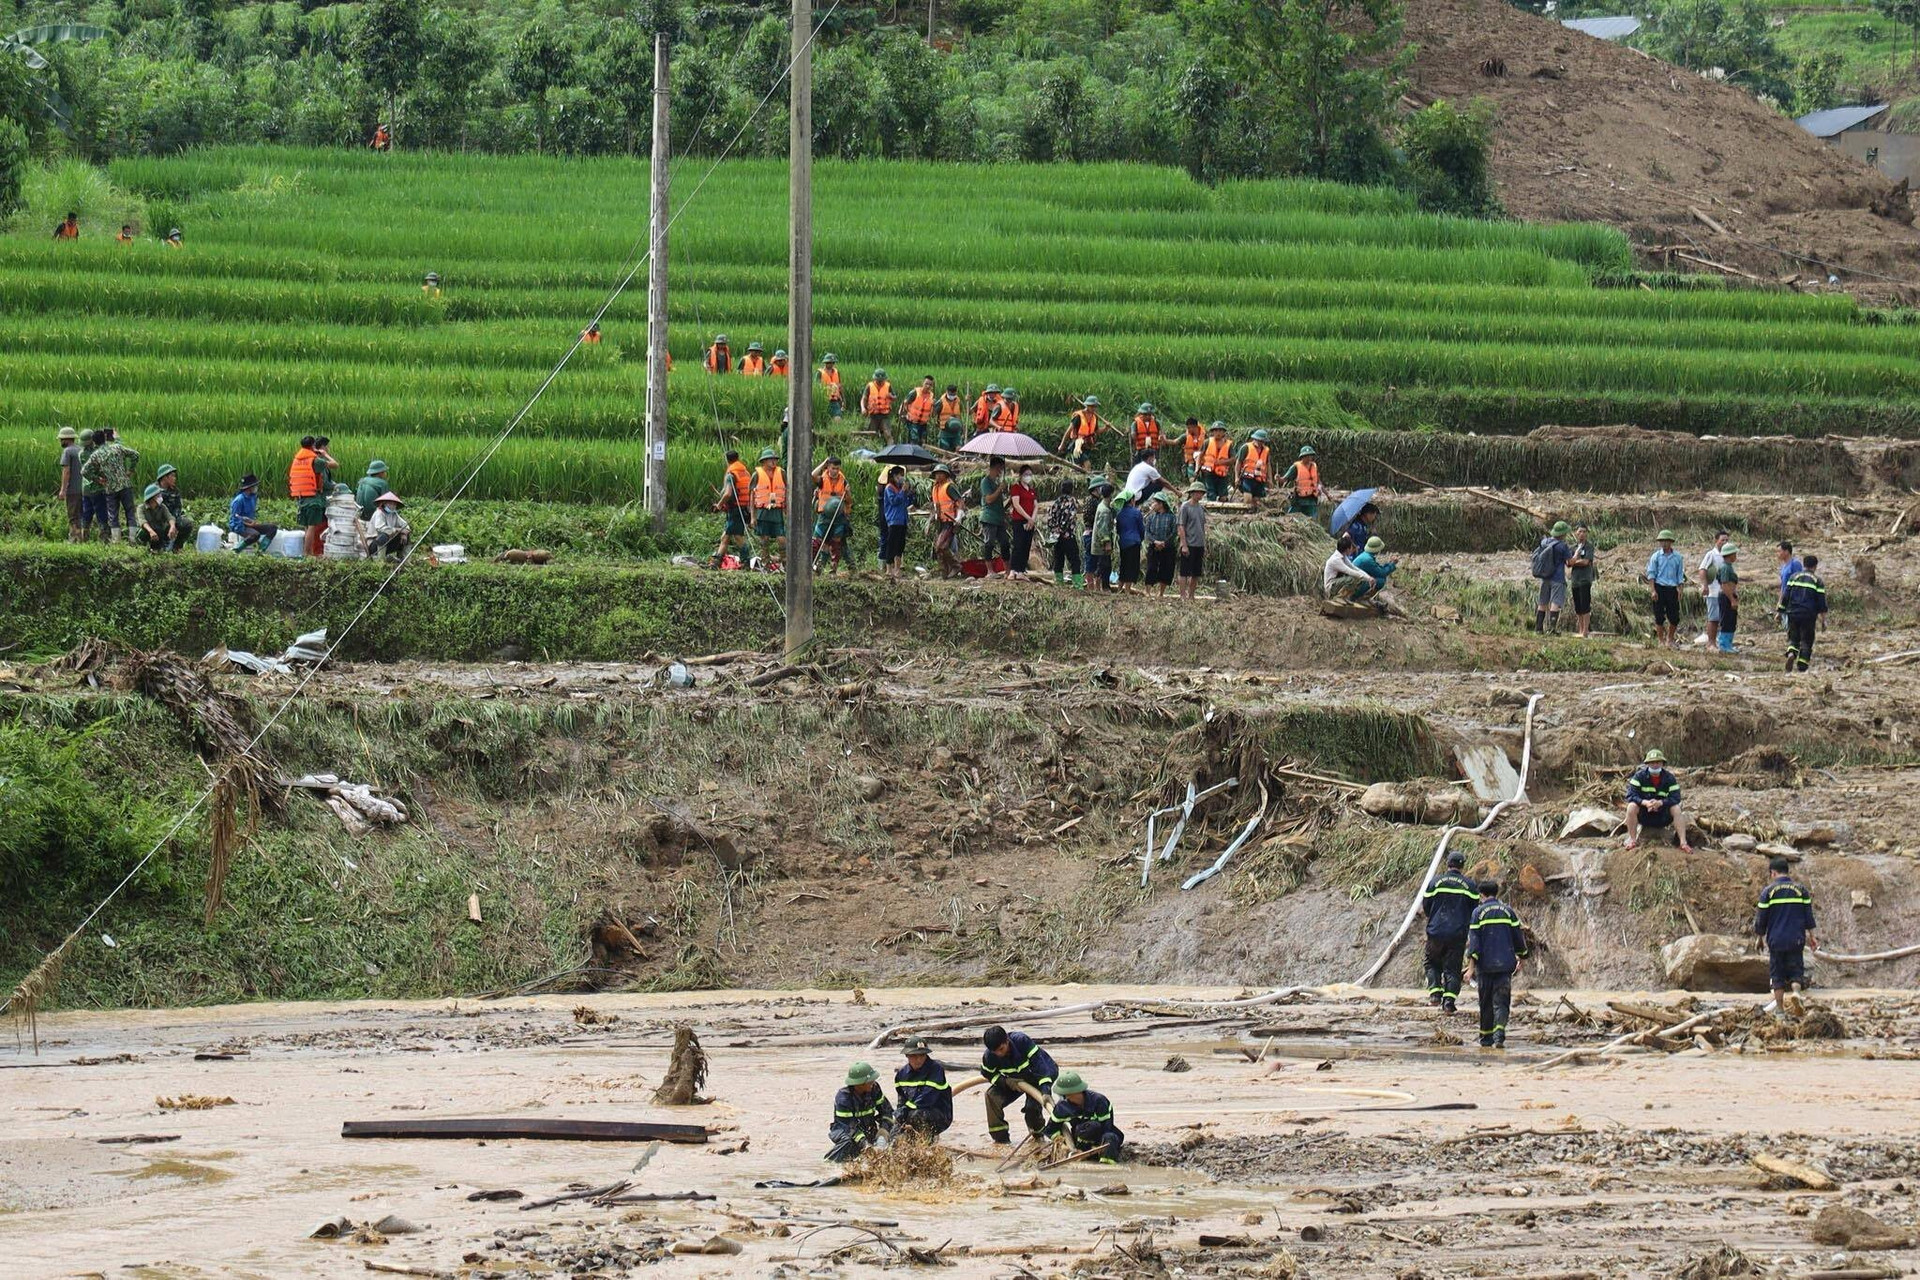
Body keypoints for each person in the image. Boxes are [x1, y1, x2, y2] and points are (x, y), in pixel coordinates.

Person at [1466, 880, 1529, 1049]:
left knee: (1485, 1002)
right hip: (1505, 966)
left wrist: (1471, 968)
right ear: (1497, 893)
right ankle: (1499, 1034)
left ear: (1481, 895)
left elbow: (1474, 943)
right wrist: (1522, 958)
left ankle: (1486, 1039)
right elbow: (1518, 937)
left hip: (1485, 966)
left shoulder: (1478, 913)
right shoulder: (1508, 912)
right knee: (1502, 1002)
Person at [1753, 857, 1817, 1013]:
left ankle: (1780, 1011)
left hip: (1776, 940)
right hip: (1796, 938)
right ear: (1787, 872)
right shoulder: (1801, 890)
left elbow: (1762, 919)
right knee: (1796, 970)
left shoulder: (1768, 892)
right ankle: (1796, 992)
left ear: (1773, 873)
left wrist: (1759, 938)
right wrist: (1812, 937)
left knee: (1777, 975)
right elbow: (1809, 916)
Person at [979, 1026, 1057, 1145]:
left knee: (1032, 1108)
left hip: (1039, 1076)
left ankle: (1038, 1138)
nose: (999, 1054)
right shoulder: (990, 1055)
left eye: (1001, 1049)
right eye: (995, 1052)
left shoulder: (1022, 1041)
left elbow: (1040, 1066)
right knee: (991, 1096)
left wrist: (1045, 1090)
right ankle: (1001, 1140)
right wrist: (1005, 1082)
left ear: (1007, 1040)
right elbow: (988, 1074)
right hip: (1015, 1080)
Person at [1422, 850, 1477, 1013]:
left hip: (1436, 931)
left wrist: (1433, 920)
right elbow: (1474, 910)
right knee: (1452, 969)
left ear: (1448, 864)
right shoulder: (1470, 885)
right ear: (1463, 866)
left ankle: (1434, 994)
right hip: (1457, 934)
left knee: (1431, 962)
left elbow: (1426, 905)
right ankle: (1448, 1003)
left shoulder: (1435, 882)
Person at [1043, 1070, 1124, 1163]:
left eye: (1067, 1095)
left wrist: (1097, 1147)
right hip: (1080, 1138)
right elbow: (1050, 1130)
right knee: (1091, 1127)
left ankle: (1107, 1166)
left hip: (1101, 1136)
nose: (1066, 1097)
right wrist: (1063, 1144)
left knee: (1109, 1136)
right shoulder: (1062, 1107)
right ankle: (1081, 1154)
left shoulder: (1099, 1101)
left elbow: (1107, 1127)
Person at [1624, 748, 1692, 853]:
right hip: (1645, 814)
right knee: (1631, 807)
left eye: (1657, 762)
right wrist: (1645, 803)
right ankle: (1632, 840)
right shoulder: (1639, 777)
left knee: (1676, 808)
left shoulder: (1669, 778)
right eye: (1652, 763)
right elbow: (1630, 795)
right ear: (1647, 764)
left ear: (1662, 763)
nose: (1655, 765)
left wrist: (1661, 803)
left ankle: (1683, 843)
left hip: (1663, 815)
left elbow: (1676, 797)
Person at [80, 427, 139, 544]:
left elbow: (84, 471)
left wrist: (97, 479)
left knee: (113, 515)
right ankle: (133, 540)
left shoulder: (96, 455)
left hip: (110, 488)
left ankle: (116, 541)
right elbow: (135, 455)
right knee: (130, 512)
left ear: (95, 442)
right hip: (125, 485)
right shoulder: (117, 447)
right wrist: (130, 470)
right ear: (106, 439)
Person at [827, 1062, 894, 1162]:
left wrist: (883, 1133)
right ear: (859, 1084)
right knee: (848, 1142)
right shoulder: (843, 1098)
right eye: (870, 1081)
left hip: (867, 1128)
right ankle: (830, 1164)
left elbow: (886, 1111)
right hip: (845, 1131)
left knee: (895, 1134)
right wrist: (865, 1145)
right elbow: (849, 1127)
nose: (873, 1082)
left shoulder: (874, 1089)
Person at [893, 1038, 952, 1138]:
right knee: (896, 1129)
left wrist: (905, 1110)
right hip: (912, 1112)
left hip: (939, 1115)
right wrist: (899, 1116)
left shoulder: (936, 1069)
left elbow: (927, 1098)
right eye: (914, 1056)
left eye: (922, 1055)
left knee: (916, 1115)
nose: (919, 1059)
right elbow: (901, 1099)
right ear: (907, 1056)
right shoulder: (901, 1075)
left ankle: (927, 1141)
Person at [1781, 554, 1828, 672]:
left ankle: (1791, 652)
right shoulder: (1817, 581)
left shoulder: (1794, 577)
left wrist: (1781, 610)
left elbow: (1786, 595)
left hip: (1793, 613)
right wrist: (1823, 620)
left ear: (1804, 564)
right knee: (1807, 640)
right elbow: (1821, 603)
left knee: (1794, 637)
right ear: (1815, 566)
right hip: (1808, 615)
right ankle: (1802, 666)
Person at [712, 449, 753, 568]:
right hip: (744, 508)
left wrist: (719, 505)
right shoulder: (745, 472)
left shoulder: (731, 474)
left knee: (737, 536)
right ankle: (716, 562)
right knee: (726, 536)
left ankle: (746, 561)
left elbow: (728, 494)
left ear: (727, 460)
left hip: (735, 509)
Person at [286, 435, 327, 556]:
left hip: (301, 496)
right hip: (313, 497)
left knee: (306, 527)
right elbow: (334, 464)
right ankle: (307, 553)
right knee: (312, 527)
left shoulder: (297, 459)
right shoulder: (315, 460)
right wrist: (324, 454)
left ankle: (306, 553)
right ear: (313, 446)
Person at [811, 455, 851, 574]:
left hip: (838, 515)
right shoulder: (822, 479)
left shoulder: (843, 481)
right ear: (828, 467)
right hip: (824, 514)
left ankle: (833, 568)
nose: (835, 471)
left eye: (837, 469)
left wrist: (848, 492)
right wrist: (823, 463)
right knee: (817, 540)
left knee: (836, 542)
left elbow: (849, 501)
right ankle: (811, 564)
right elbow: (812, 475)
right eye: (833, 468)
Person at [1645, 529, 1686, 648]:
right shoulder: (1656, 557)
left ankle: (1670, 639)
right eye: (1662, 541)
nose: (1664, 544)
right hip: (1659, 587)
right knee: (1659, 616)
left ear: (1670, 542)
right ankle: (1660, 640)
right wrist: (1653, 590)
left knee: (1674, 616)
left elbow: (1680, 575)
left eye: (1666, 541)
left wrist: (1680, 589)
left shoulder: (1677, 557)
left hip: (1672, 588)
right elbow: (1651, 574)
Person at [1531, 521, 1573, 634]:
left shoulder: (1545, 542)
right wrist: (1576, 555)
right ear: (1563, 534)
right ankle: (1551, 629)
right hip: (1557, 578)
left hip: (1545, 577)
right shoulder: (1562, 546)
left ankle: (1538, 628)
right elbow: (1569, 562)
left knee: (1542, 603)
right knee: (1555, 602)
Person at [749, 448, 786, 567]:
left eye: (775, 459)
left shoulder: (782, 473)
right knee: (764, 539)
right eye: (771, 459)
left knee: (781, 538)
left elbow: (788, 491)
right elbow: (752, 495)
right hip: (762, 511)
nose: (774, 462)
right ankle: (765, 563)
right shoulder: (756, 475)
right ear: (764, 461)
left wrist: (787, 510)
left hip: (777, 510)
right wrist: (752, 517)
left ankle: (785, 562)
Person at [879, 467, 914, 578]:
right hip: (894, 520)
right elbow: (894, 501)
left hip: (902, 520)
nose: (901, 478)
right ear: (893, 476)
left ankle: (897, 569)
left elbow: (906, 502)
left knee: (900, 545)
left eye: (902, 475)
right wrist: (903, 491)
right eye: (899, 475)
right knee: (892, 544)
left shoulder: (900, 488)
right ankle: (889, 569)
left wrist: (909, 493)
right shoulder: (889, 488)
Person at [1047, 478, 1083, 587]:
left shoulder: (1056, 502)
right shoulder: (1072, 501)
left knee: (1058, 559)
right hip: (1068, 536)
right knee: (1075, 560)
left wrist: (1055, 529)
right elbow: (1070, 517)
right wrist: (1063, 529)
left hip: (1056, 537)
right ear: (1071, 489)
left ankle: (1059, 583)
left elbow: (1049, 518)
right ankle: (1077, 584)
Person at [975, 457, 1010, 567]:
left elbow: (1000, 504)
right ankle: (989, 570)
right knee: (989, 543)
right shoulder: (986, 482)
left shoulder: (995, 483)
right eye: (999, 469)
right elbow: (989, 499)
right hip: (989, 517)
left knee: (1005, 543)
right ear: (994, 468)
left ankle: (1007, 569)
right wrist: (999, 489)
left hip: (999, 518)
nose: (1000, 472)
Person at [228, 474, 278, 552]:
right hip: (239, 526)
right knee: (255, 534)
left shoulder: (253, 497)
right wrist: (249, 524)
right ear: (249, 488)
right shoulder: (239, 500)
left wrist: (253, 523)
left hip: (249, 524)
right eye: (255, 486)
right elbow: (236, 518)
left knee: (272, 528)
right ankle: (236, 550)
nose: (256, 488)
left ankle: (260, 551)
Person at [1699, 529, 1730, 649]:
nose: (1725, 542)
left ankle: (1721, 643)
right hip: (1713, 592)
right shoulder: (1711, 554)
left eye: (1727, 540)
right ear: (1716, 541)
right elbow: (1702, 570)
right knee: (1713, 618)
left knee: (1723, 619)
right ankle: (1710, 643)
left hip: (1724, 592)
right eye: (1723, 540)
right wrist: (1705, 585)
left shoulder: (1728, 555)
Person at [930, 462, 962, 578]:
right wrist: (931, 521)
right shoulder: (935, 488)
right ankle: (943, 572)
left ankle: (956, 565)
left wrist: (959, 516)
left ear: (946, 475)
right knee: (938, 549)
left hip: (949, 520)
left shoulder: (949, 487)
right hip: (940, 521)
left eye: (940, 474)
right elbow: (935, 506)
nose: (938, 476)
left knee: (941, 546)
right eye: (936, 474)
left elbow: (960, 501)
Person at [77, 431, 110, 542]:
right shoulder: (97, 452)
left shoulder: (81, 453)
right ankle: (104, 538)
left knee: (87, 513)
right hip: (98, 488)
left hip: (85, 489)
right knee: (102, 513)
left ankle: (84, 538)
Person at [1177, 481, 1208, 601]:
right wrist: (1184, 544)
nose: (1200, 495)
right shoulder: (1185, 507)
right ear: (1193, 493)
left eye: (1202, 493)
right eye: (1199, 492)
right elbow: (1181, 526)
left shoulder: (1201, 508)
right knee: (1184, 572)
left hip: (1199, 544)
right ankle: (1182, 596)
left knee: (1196, 572)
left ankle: (1191, 595)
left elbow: (1202, 526)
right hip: (1189, 543)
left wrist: (1204, 544)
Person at [1324, 534, 1377, 602]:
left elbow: (1354, 568)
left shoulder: (1343, 556)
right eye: (1351, 548)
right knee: (1352, 578)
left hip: (1336, 583)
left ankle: (1344, 597)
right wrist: (1368, 578)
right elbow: (1350, 571)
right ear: (1347, 549)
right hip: (1331, 586)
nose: (1352, 550)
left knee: (1359, 579)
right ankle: (1339, 597)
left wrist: (1368, 577)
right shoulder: (1336, 560)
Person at [1007, 464, 1038, 579]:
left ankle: (1021, 570)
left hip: (1030, 522)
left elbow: (1035, 505)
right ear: (1021, 476)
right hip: (1019, 520)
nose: (1028, 477)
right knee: (1018, 545)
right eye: (1026, 475)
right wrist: (1027, 517)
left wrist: (1032, 519)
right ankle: (1013, 569)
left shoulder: (1031, 490)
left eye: (1030, 475)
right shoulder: (1016, 488)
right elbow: (1016, 504)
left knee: (1026, 545)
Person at [1144, 494, 1177, 598]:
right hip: (1154, 547)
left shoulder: (1171, 517)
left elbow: (1173, 532)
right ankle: (1147, 591)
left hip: (1167, 547)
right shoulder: (1151, 517)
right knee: (1151, 568)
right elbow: (1147, 533)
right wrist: (1155, 542)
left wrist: (1164, 543)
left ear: (1161, 504)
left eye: (1155, 503)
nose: (1153, 505)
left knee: (1166, 569)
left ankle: (1161, 593)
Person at [1568, 524, 1597, 638]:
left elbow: (1586, 562)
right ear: (1576, 533)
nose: (1582, 534)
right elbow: (1568, 563)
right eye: (1580, 531)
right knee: (1578, 606)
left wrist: (1574, 561)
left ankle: (1585, 631)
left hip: (1585, 579)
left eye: (1584, 531)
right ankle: (1580, 629)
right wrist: (1574, 561)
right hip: (1575, 580)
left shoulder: (1589, 547)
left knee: (1585, 605)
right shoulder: (1572, 547)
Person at [1087, 481, 1117, 591]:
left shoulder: (1103, 506)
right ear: (1110, 494)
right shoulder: (1104, 510)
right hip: (1102, 546)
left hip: (1099, 544)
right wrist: (1107, 543)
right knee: (1104, 566)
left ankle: (1100, 587)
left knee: (1102, 565)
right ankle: (1103, 588)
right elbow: (1103, 529)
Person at [1278, 445, 1323, 517]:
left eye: (1310, 456)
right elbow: (1284, 479)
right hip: (1299, 499)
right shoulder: (1295, 467)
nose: (1309, 458)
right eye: (1306, 456)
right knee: (1291, 516)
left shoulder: (1314, 466)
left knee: (1312, 519)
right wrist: (1279, 478)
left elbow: (1318, 480)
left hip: (1312, 499)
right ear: (1302, 457)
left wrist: (1326, 493)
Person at [154, 463, 189, 551]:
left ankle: (177, 547)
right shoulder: (154, 491)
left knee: (186, 524)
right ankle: (157, 547)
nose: (174, 479)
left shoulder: (175, 491)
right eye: (172, 476)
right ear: (165, 477)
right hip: (157, 520)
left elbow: (178, 507)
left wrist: (174, 520)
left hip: (171, 519)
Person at [1115, 490, 1145, 593]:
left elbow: (1118, 530)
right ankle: (1127, 590)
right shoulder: (1136, 512)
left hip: (1123, 543)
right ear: (1132, 500)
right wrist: (1140, 539)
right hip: (1134, 542)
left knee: (1123, 565)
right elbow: (1141, 529)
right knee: (1132, 566)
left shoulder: (1119, 513)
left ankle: (1119, 588)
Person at [56, 426, 83, 542]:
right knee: (82, 515)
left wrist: (63, 490)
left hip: (73, 490)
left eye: (62, 439)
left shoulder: (67, 451)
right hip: (84, 489)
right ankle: (83, 539)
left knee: (73, 516)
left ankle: (74, 539)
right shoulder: (81, 450)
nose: (60, 441)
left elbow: (66, 471)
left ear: (67, 439)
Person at [1714, 543, 1742, 653]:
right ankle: (1724, 645)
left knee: (1731, 620)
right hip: (1726, 597)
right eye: (1734, 553)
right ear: (1730, 555)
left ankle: (1728, 644)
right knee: (1726, 620)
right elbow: (1725, 584)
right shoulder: (1725, 567)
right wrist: (1732, 599)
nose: (1735, 555)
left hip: (1729, 595)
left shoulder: (1728, 566)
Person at [136, 484, 179, 552]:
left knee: (162, 529)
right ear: (152, 498)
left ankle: (161, 548)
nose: (160, 497)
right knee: (143, 533)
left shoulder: (162, 507)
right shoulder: (141, 508)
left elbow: (170, 517)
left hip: (159, 532)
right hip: (147, 532)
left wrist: (172, 526)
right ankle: (144, 547)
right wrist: (151, 531)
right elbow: (143, 521)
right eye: (158, 495)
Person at [367, 492, 410, 558]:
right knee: (383, 536)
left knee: (406, 535)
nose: (392, 506)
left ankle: (403, 558)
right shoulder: (379, 513)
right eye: (390, 503)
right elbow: (380, 528)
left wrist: (404, 534)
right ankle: (380, 560)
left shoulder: (394, 514)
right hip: (375, 544)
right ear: (384, 504)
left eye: (394, 504)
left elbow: (405, 525)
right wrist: (398, 530)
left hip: (388, 543)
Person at [1236, 429, 1273, 506]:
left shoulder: (1266, 450)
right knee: (1248, 498)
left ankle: (1253, 515)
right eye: (1259, 440)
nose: (1261, 443)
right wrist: (1236, 477)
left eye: (1263, 441)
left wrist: (1270, 479)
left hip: (1260, 479)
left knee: (1256, 500)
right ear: (1255, 439)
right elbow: (1238, 462)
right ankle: (1245, 513)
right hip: (1247, 477)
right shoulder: (1246, 447)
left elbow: (1268, 465)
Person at [1060, 396, 1101, 464]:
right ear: (1087, 406)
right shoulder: (1078, 416)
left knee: (1081, 465)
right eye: (1092, 406)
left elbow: (1096, 431)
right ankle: (1087, 474)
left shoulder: (1094, 417)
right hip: (1077, 444)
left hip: (1087, 444)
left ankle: (1082, 473)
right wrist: (1062, 445)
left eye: (1095, 407)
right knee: (1087, 463)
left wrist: (1106, 428)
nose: (1094, 408)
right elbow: (1068, 431)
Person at [1198, 422, 1233, 501]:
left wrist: (1221, 463)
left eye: (1220, 431)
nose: (1218, 433)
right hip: (1208, 472)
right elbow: (1200, 456)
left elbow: (1233, 459)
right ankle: (1212, 508)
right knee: (1211, 493)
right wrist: (1197, 468)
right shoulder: (1207, 442)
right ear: (1213, 432)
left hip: (1222, 473)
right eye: (1216, 431)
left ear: (1224, 432)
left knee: (1223, 496)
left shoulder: (1228, 444)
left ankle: (1222, 508)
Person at [862, 368, 896, 444]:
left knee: (888, 434)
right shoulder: (869, 386)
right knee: (871, 434)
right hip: (873, 415)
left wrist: (892, 397)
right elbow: (864, 398)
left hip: (884, 415)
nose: (880, 382)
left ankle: (891, 450)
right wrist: (863, 408)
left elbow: (894, 397)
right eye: (878, 380)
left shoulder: (888, 386)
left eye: (882, 380)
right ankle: (870, 451)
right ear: (875, 379)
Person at [902, 376, 936, 445]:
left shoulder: (932, 396)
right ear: (922, 383)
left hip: (923, 423)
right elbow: (905, 403)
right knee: (914, 439)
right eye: (926, 384)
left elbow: (932, 411)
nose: (928, 386)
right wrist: (905, 414)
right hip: (913, 422)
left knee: (923, 441)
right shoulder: (915, 393)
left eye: (930, 385)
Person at [1776, 541, 1803, 624]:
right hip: (1786, 600)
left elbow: (1799, 582)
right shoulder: (1783, 567)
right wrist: (1780, 602)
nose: (1778, 554)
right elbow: (1783, 586)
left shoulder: (1795, 564)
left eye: (1779, 551)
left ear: (1787, 551)